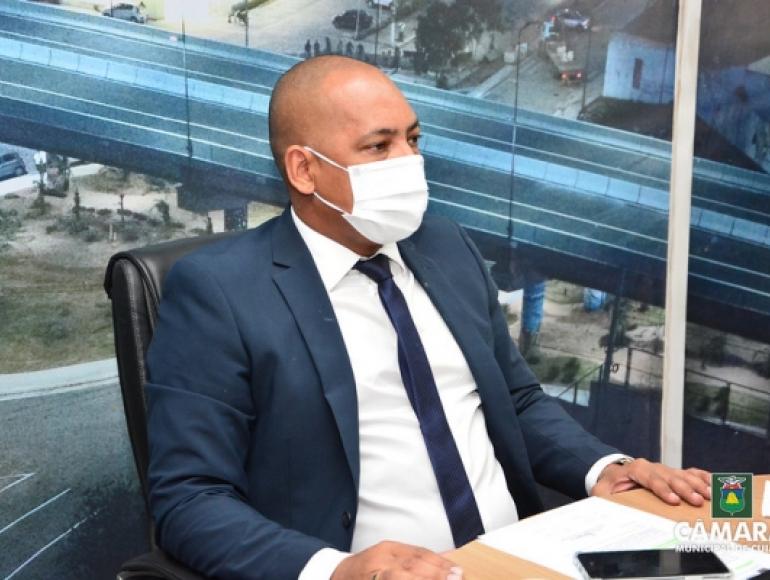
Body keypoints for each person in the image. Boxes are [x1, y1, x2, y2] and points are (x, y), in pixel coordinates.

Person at [145, 56, 712, 580]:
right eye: (379, 146)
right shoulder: (221, 291)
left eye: (413, 140)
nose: (408, 162)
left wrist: (605, 468)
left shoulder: (446, 245)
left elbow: (515, 401)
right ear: (304, 170)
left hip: (518, 561)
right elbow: (189, 498)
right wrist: (335, 571)